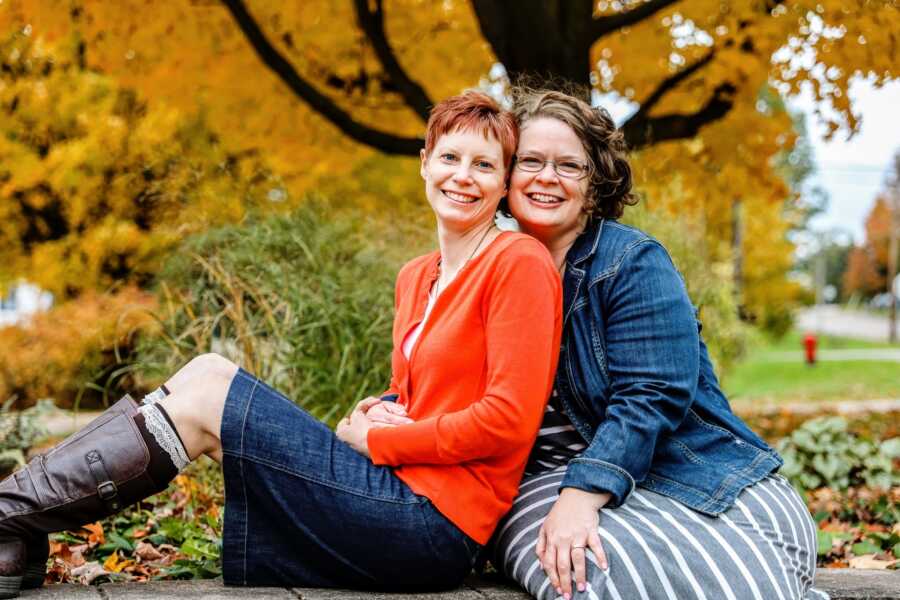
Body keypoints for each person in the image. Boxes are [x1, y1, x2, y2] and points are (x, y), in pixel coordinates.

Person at [0, 91, 562, 598]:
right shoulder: (418, 275)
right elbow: (418, 391)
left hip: (433, 525)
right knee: (205, 375)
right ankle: (12, 530)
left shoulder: (519, 264)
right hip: (394, 491)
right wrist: (379, 409)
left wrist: (380, 442)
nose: (463, 176)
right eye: (450, 158)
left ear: (503, 181)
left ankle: (8, 515)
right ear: (425, 163)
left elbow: (507, 421)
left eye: (484, 165)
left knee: (207, 391)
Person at [488, 88, 828, 600]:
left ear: (596, 180)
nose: (547, 178)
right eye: (530, 161)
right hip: (546, 484)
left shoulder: (630, 262)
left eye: (569, 166)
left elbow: (651, 396)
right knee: (572, 571)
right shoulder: (486, 268)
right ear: (506, 175)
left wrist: (581, 495)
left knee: (589, 564)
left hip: (694, 478)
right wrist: (386, 413)